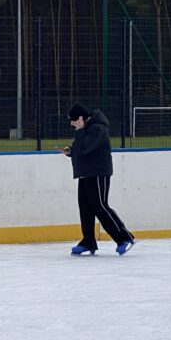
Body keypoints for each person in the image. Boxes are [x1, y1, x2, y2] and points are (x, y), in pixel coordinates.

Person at [63, 103, 136, 256]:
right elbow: (80, 149)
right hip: (85, 173)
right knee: (85, 208)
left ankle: (124, 238)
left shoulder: (97, 129)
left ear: (81, 118)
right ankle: (88, 242)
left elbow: (84, 148)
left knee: (100, 206)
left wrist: (80, 131)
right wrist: (71, 152)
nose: (72, 123)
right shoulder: (85, 129)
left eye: (73, 120)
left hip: (97, 173)